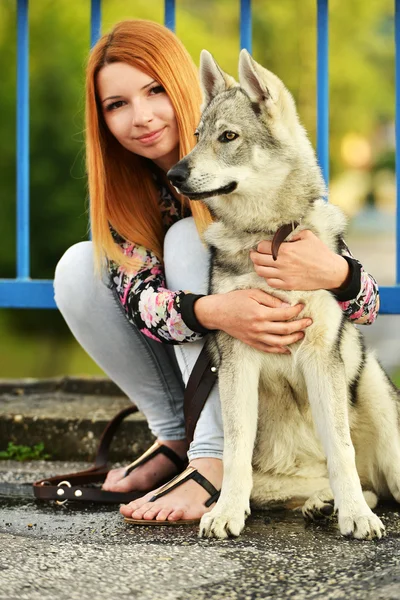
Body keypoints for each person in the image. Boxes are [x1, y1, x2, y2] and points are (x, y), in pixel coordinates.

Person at [54, 19, 380, 525]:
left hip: (268, 386)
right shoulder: (125, 189)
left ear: (183, 86)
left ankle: (212, 460)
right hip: (206, 356)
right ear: (102, 118)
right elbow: (141, 305)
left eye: (154, 91)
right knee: (77, 266)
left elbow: (365, 307)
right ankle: (181, 442)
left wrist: (338, 273)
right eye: (116, 105)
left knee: (188, 238)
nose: (140, 117)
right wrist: (216, 310)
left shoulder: (258, 168)